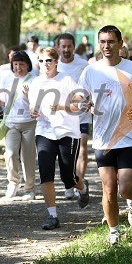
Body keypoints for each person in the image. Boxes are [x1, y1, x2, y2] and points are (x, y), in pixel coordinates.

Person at [78, 25, 132, 245]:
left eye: (111, 41)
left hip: (129, 136)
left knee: (126, 189)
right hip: (103, 139)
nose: (106, 46)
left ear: (120, 44)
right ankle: (114, 231)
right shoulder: (91, 70)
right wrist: (86, 105)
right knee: (109, 188)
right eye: (102, 42)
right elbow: (80, 97)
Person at [29, 47, 89, 230]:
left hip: (67, 132)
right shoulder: (35, 83)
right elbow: (33, 106)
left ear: (56, 62)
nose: (45, 64)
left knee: (67, 177)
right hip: (45, 132)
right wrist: (34, 111)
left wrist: (61, 106)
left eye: (48, 60)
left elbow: (81, 105)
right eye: (41, 61)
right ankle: (52, 215)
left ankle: (83, 188)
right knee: (45, 174)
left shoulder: (67, 80)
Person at [0, 51, 37, 199]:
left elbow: (38, 105)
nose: (18, 67)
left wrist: (28, 96)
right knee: (10, 153)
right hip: (11, 123)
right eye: (15, 64)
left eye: (21, 64)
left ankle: (29, 188)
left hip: (29, 123)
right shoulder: (7, 79)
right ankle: (13, 182)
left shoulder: (33, 80)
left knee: (28, 157)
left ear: (27, 65)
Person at [55, 33, 90, 200]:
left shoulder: (83, 65)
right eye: (63, 46)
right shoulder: (54, 66)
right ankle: (70, 182)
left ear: (74, 47)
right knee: (66, 154)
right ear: (58, 48)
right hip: (63, 118)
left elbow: (89, 87)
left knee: (82, 148)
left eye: (69, 46)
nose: (66, 49)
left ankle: (78, 183)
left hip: (81, 115)